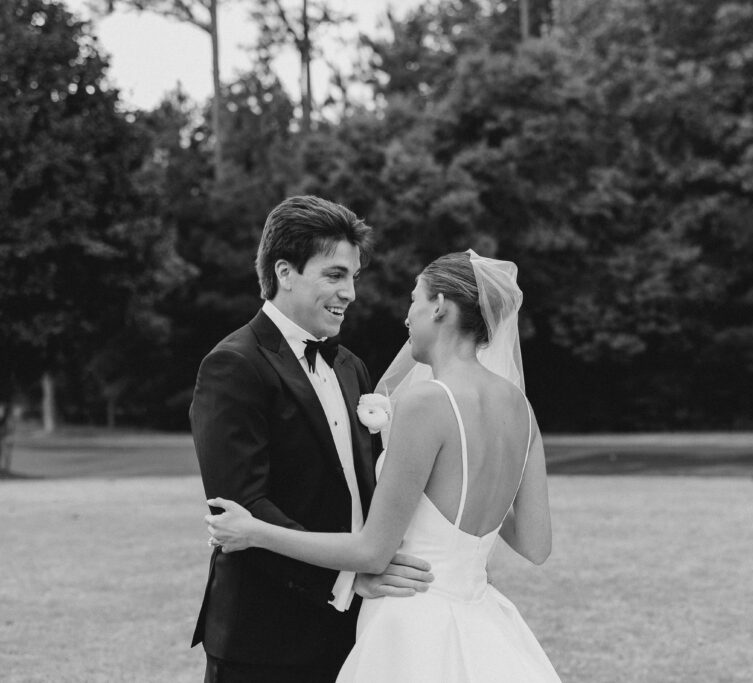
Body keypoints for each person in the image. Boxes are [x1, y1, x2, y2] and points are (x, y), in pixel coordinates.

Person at [206, 250, 562, 682]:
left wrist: (256, 531)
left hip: (414, 623)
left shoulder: (426, 402)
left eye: (414, 300)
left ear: (440, 306)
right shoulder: (521, 410)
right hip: (482, 620)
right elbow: (536, 545)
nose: (407, 318)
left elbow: (373, 552)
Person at [190, 195, 433, 683]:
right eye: (335, 275)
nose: (351, 293)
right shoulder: (233, 364)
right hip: (264, 639)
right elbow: (243, 504)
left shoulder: (350, 366)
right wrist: (348, 574)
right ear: (284, 272)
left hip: (354, 631)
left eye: (354, 278)